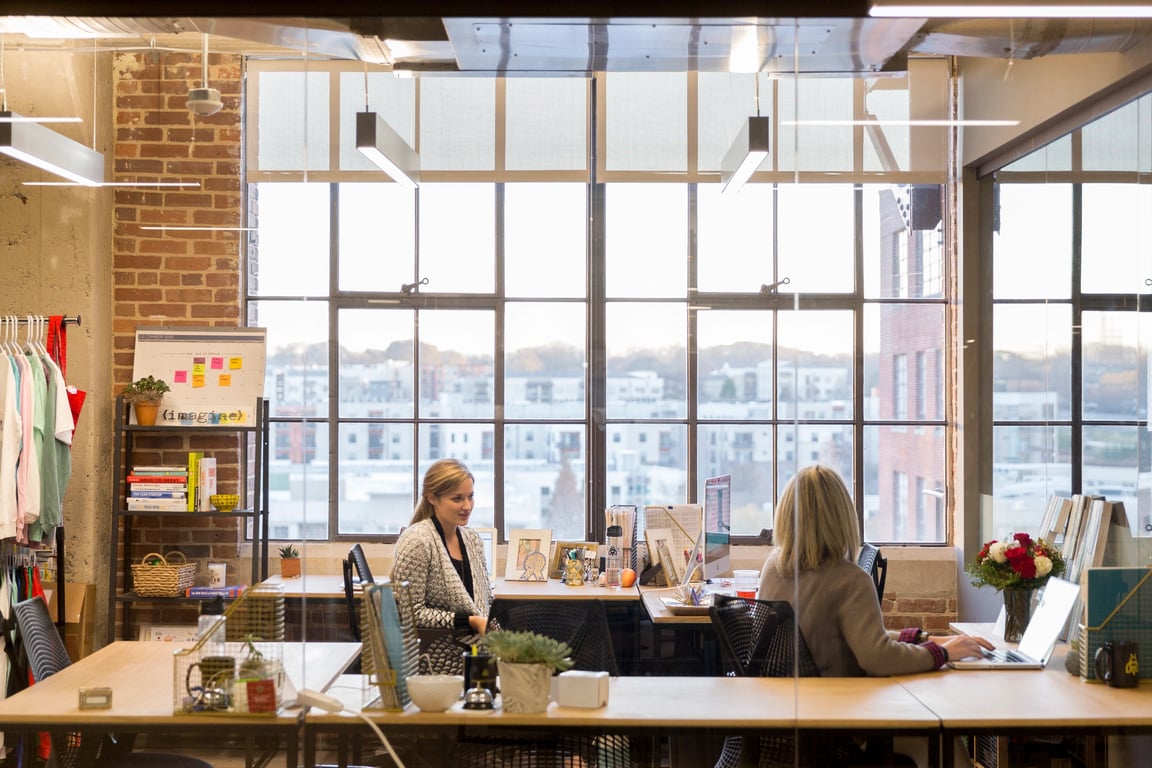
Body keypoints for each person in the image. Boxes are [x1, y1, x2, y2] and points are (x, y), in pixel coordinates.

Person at [759, 465, 993, 677]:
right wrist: (941, 652)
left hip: (787, 702)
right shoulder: (850, 580)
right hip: (837, 706)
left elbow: (863, 638)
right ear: (842, 516)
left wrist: (927, 639)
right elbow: (878, 658)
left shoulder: (774, 566)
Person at [391, 458, 494, 673]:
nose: (467, 506)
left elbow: (485, 599)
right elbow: (410, 612)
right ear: (432, 498)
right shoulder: (417, 541)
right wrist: (471, 621)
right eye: (457, 499)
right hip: (436, 656)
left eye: (470, 496)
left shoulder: (472, 539)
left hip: (476, 649)